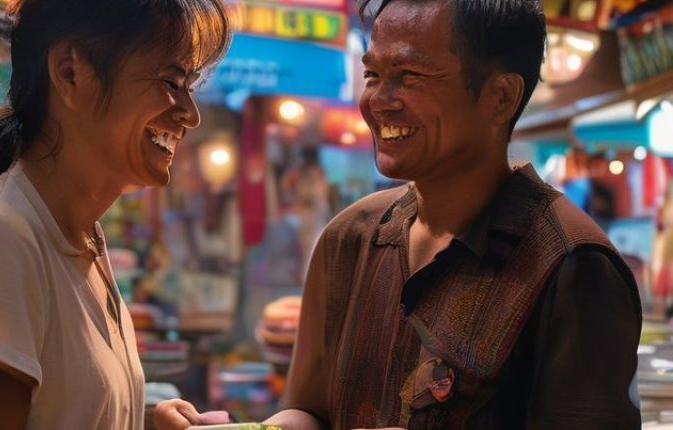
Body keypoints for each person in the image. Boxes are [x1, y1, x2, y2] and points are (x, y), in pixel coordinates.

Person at [157, 0, 643, 429]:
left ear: (500, 97)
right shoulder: (350, 239)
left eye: (408, 76)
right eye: (372, 75)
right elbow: (310, 410)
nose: (377, 101)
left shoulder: (572, 264)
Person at [0, 0, 230, 428]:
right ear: (70, 71)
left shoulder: (81, 242)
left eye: (189, 87)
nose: (189, 116)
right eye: (171, 81)